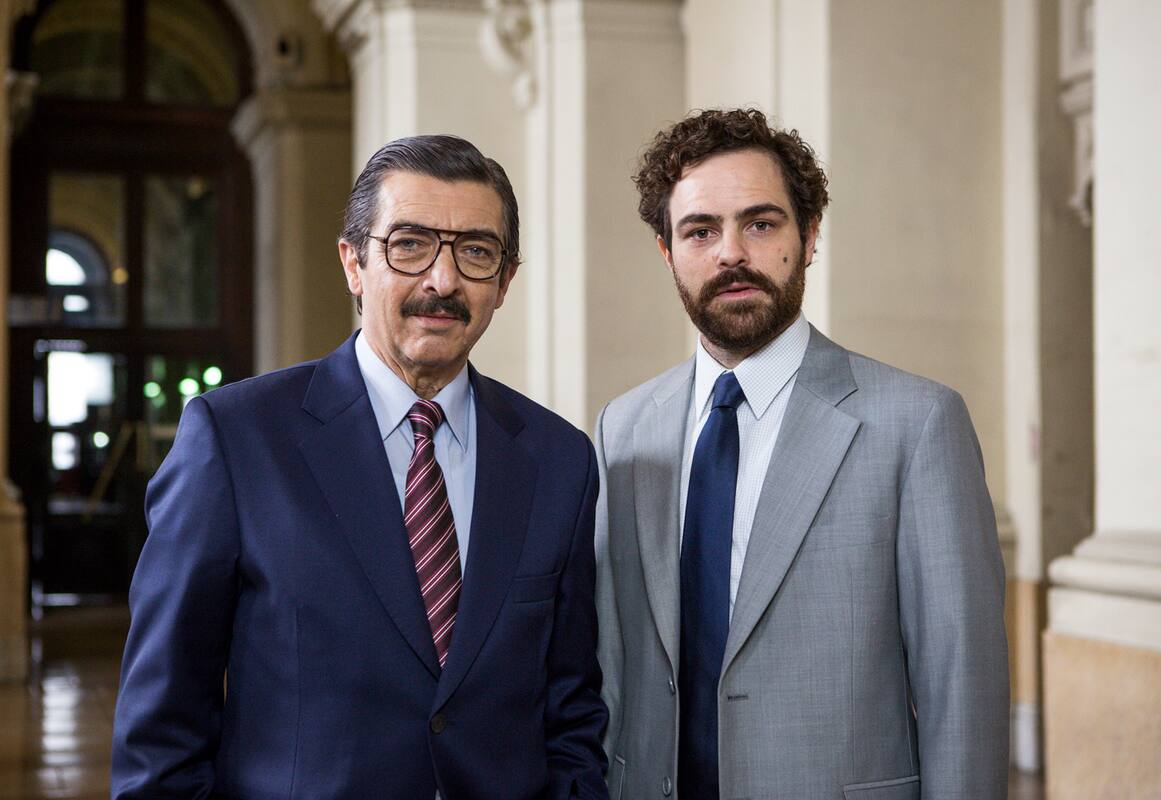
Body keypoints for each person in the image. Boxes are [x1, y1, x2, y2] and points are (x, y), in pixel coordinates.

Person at [111, 135, 608, 800]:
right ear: (353, 263)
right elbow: (162, 729)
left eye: (477, 253)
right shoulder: (235, 441)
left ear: (505, 282)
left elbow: (570, 711)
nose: (443, 279)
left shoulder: (558, 459)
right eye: (409, 244)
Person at [594, 109, 1008, 799]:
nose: (731, 253)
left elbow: (961, 684)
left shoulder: (917, 424)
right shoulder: (624, 429)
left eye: (761, 223)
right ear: (668, 252)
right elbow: (609, 664)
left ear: (809, 236)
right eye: (701, 230)